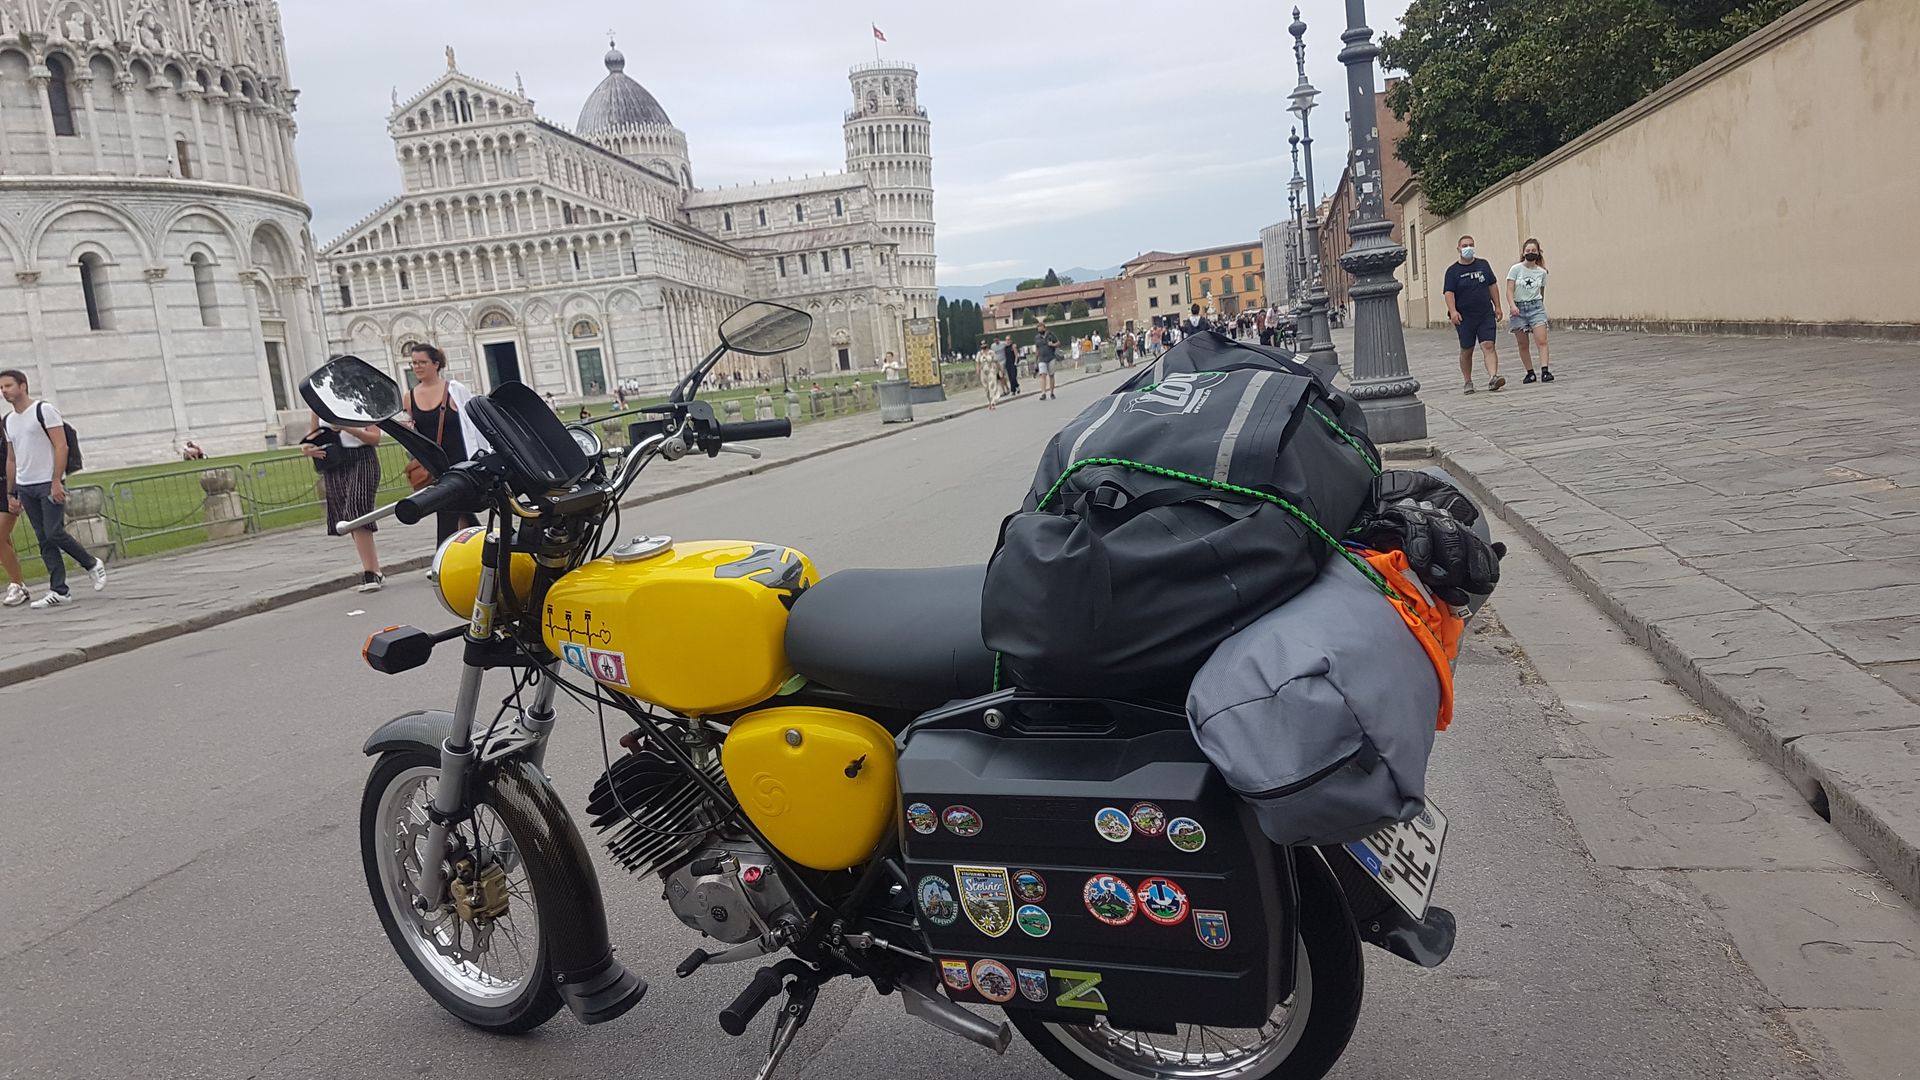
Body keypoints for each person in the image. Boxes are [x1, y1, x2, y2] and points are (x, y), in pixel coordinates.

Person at [1, 369, 107, 609]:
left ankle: (91, 563)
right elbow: (12, 458)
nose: (4, 391)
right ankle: (59, 590)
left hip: (47, 482)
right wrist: (11, 492)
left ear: (23, 386)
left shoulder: (43, 410)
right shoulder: (8, 420)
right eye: (1, 388)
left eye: (8, 386)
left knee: (53, 532)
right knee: (43, 539)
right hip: (26, 485)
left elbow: (61, 446)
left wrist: (56, 480)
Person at [398, 343, 485, 547]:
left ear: (436, 364)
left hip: (459, 463)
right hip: (434, 465)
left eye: (422, 362)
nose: (417, 367)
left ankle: (444, 554)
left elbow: (472, 425)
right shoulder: (409, 397)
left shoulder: (454, 390)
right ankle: (481, 548)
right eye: (414, 363)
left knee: (450, 513)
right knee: (458, 511)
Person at [302, 408, 385, 593]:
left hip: (362, 458)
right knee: (347, 516)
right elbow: (312, 435)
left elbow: (375, 438)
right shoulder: (318, 404)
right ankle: (374, 569)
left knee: (357, 509)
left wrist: (347, 428)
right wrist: (308, 448)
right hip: (334, 460)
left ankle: (370, 572)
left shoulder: (360, 402)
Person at [1444, 234, 1505, 393]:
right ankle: (1468, 381)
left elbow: (1492, 285)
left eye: (1471, 245)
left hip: (1485, 313)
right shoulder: (1452, 271)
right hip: (1464, 317)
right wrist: (1453, 311)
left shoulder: (1483, 265)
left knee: (1488, 345)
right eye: (1464, 246)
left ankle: (1493, 377)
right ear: (1458, 249)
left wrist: (1497, 306)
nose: (1468, 248)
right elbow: (1449, 292)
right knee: (1467, 349)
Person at [1505, 238, 1554, 383]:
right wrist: (1512, 306)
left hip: (1536, 307)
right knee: (1523, 343)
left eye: (1533, 250)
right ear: (1523, 252)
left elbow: (1541, 292)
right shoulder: (1515, 269)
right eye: (1528, 250)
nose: (1530, 253)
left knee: (1541, 340)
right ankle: (1530, 372)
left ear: (1538, 253)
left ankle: (1545, 370)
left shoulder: (1542, 272)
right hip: (1519, 308)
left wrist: (1540, 306)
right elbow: (1509, 290)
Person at [0, 423, 27, 607]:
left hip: (7, 488)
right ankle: (17, 582)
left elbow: (15, 460)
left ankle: (17, 584)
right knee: (4, 541)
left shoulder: (7, 431)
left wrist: (15, 492)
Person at [1033, 322, 1060, 400]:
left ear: (1044, 328)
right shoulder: (1037, 338)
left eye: (1041, 329)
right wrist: (1035, 361)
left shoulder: (1051, 335)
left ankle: (1052, 392)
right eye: (1038, 329)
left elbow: (1058, 343)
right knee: (1042, 375)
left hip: (1051, 357)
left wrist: (1053, 344)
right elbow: (1037, 349)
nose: (1040, 330)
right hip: (1042, 358)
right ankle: (1043, 393)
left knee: (1051, 375)